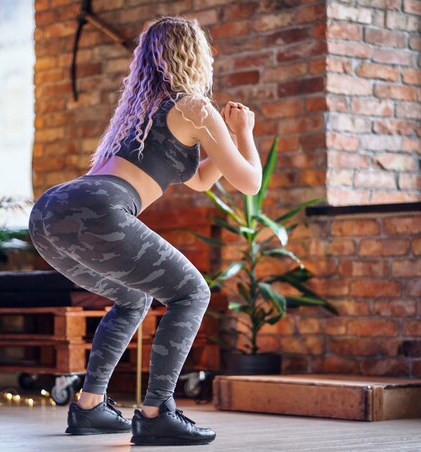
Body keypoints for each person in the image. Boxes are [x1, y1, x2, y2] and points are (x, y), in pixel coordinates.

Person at [28, 15, 261, 447]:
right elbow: (249, 182)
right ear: (195, 55)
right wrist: (244, 133)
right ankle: (156, 413)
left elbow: (201, 179)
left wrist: (225, 137)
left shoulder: (140, 113)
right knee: (193, 293)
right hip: (100, 207)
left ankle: (89, 407)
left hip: (49, 212)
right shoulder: (194, 107)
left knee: (133, 296)